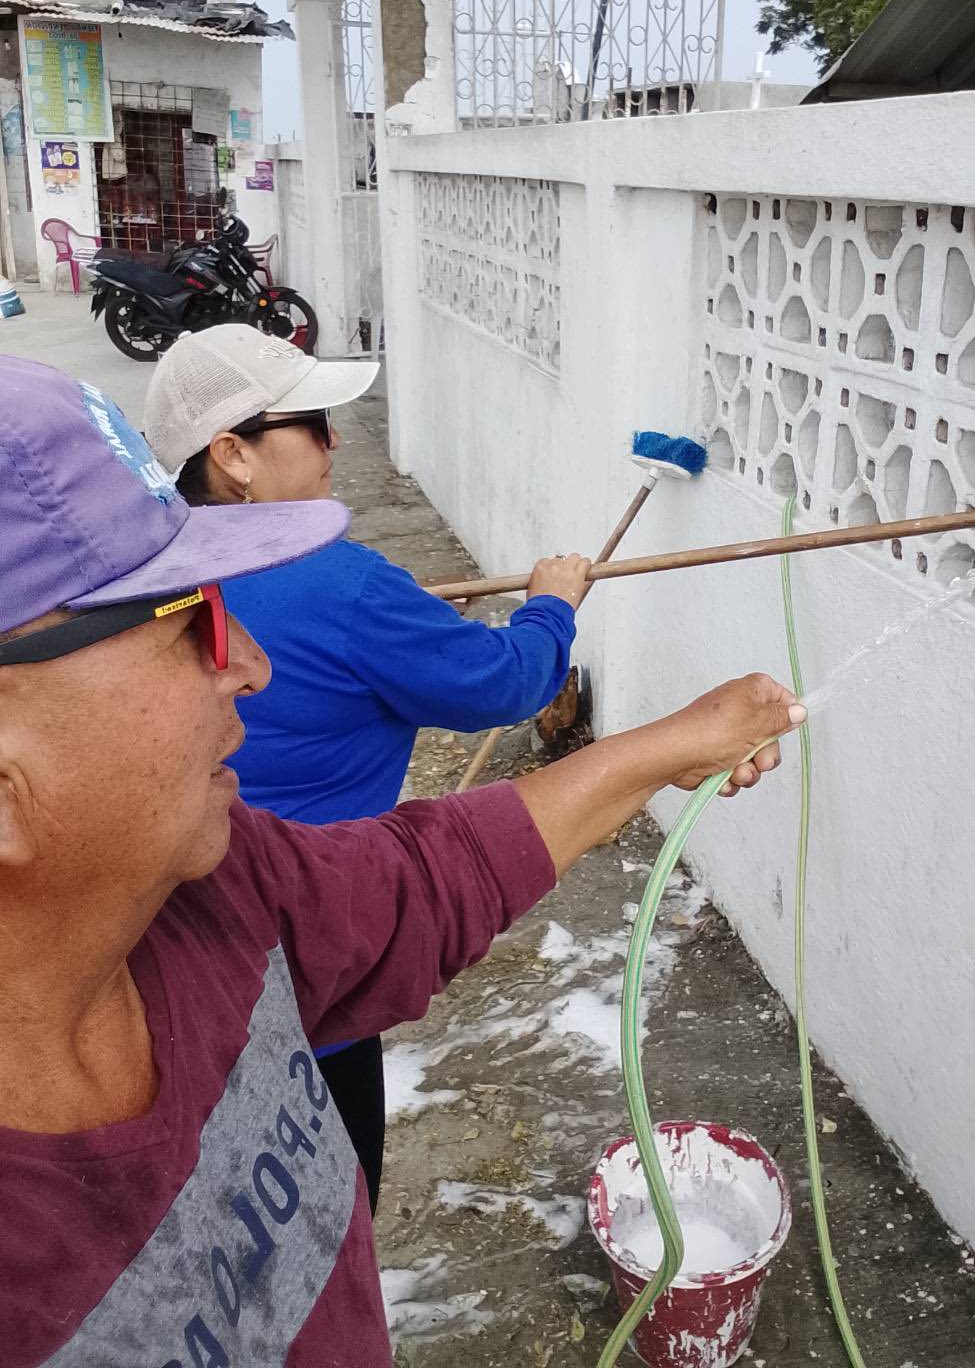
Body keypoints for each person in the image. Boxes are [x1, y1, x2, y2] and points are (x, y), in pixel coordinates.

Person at [0, 353, 802, 1367]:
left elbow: (426, 876)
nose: (248, 664)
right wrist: (553, 608)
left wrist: (665, 747)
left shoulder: (222, 890)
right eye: (181, 617)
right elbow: (502, 680)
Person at [141, 324, 590, 1214]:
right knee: (328, 1212)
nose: (336, 440)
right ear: (233, 454)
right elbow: (502, 683)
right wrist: (551, 606)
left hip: (167, 946)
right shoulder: (341, 582)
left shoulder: (144, 565)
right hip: (304, 957)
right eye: (312, 423)